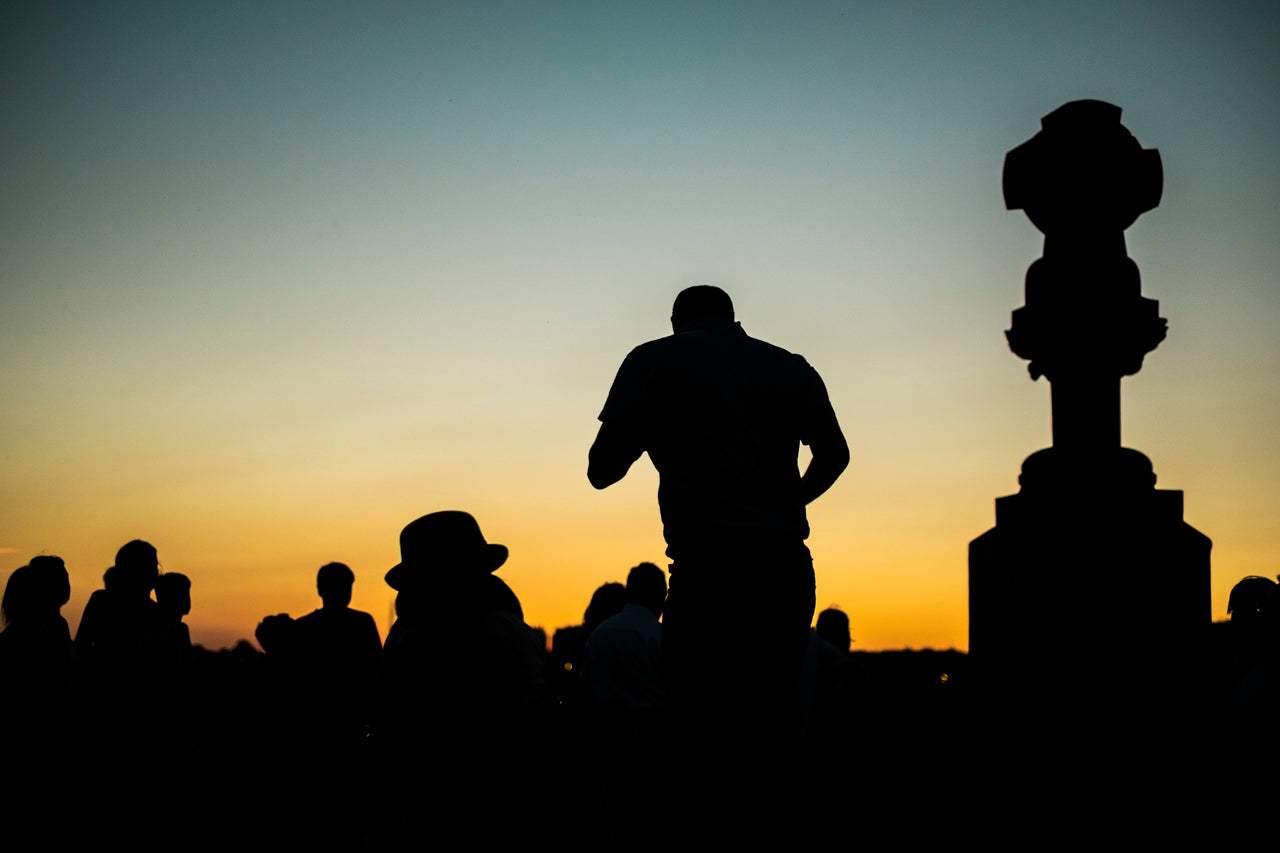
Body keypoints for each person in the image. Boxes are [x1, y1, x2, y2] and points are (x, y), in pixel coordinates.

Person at [588, 285, 848, 842]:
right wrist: (787, 502)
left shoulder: (652, 360)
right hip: (782, 566)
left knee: (701, 727)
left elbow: (602, 469)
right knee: (775, 722)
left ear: (678, 320)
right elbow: (836, 454)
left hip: (707, 569)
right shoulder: (788, 366)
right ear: (733, 318)